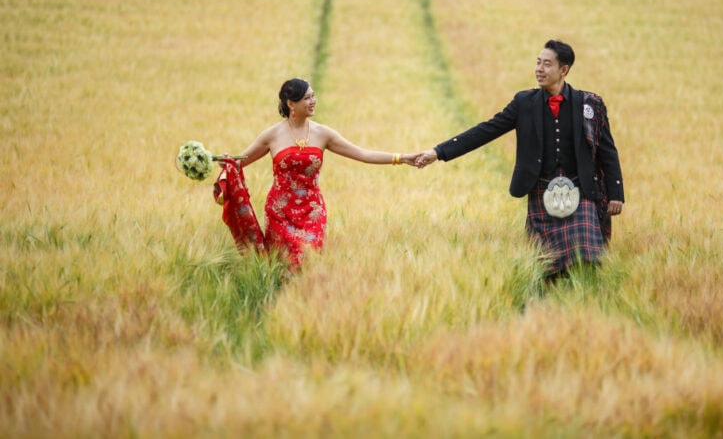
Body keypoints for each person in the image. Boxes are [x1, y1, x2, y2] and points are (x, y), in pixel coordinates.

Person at [415, 40, 624, 280]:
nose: (539, 69)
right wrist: (438, 152)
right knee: (546, 266)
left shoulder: (590, 104)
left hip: (581, 188)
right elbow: (486, 130)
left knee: (588, 255)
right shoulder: (524, 103)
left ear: (563, 70)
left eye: (547, 64)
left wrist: (616, 193)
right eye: (537, 62)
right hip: (541, 188)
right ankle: (551, 304)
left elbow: (608, 151)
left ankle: (585, 301)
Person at [226, 77, 419, 268]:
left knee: (308, 261)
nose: (313, 101)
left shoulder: (323, 134)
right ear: (291, 104)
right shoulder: (272, 135)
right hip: (279, 212)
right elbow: (238, 163)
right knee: (283, 266)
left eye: (313, 96)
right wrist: (219, 160)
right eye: (307, 98)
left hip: (312, 211)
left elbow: (363, 154)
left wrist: (401, 158)